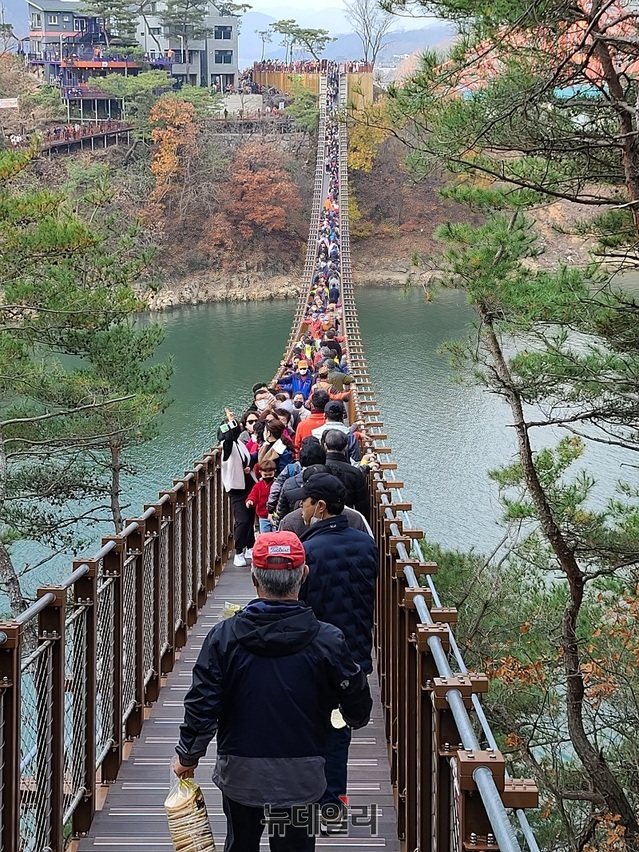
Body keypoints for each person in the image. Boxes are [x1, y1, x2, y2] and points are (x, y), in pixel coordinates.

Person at [173, 531, 373, 852]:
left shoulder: (224, 638)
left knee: (241, 843)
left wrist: (188, 755)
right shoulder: (328, 641)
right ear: (303, 575)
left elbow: (203, 703)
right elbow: (358, 706)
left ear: (254, 577)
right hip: (302, 776)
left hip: (241, 774)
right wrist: (347, 715)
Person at [298, 474, 379, 818]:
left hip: (314, 652)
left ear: (319, 506)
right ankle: (333, 801)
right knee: (338, 726)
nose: (301, 507)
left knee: (308, 722)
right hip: (354, 650)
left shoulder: (309, 550)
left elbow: (301, 603)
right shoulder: (366, 544)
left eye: (305, 500)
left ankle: (304, 795)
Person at [219, 408, 256, 567]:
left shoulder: (239, 443)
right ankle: (238, 551)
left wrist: (248, 467)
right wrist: (229, 420)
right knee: (242, 520)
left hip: (248, 483)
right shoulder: (227, 446)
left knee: (249, 517)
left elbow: (246, 459)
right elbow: (226, 436)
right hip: (236, 488)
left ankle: (249, 546)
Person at [322, 430, 370, 521]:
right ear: (346, 447)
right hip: (348, 519)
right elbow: (362, 505)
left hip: (321, 518)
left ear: (325, 446)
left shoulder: (318, 469)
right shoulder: (355, 473)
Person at [246, 459, 277, 533]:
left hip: (275, 515)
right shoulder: (258, 486)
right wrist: (250, 500)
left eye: (270, 475)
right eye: (265, 475)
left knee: (276, 534)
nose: (268, 477)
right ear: (260, 472)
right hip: (263, 516)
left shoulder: (277, 484)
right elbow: (254, 495)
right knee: (265, 535)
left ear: (274, 472)